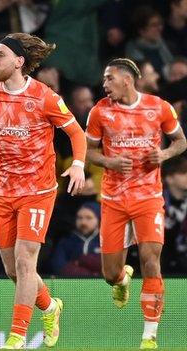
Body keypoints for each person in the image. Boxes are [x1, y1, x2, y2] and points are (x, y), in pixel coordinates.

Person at [0, 33, 88, 349]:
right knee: (13, 270)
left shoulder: (44, 97)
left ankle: (17, 336)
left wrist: (78, 164)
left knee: (26, 263)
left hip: (37, 191)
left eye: (0, 54)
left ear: (19, 61)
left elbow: (76, 132)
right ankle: (50, 306)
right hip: (3, 191)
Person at [85, 58, 187, 349]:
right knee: (109, 274)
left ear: (127, 79)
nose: (104, 85)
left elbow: (181, 142)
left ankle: (149, 336)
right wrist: (109, 161)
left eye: (109, 79)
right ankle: (121, 280)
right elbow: (89, 151)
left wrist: (164, 156)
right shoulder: (99, 112)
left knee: (151, 261)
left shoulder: (159, 107)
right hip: (114, 200)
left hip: (148, 198)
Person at [51, 202, 101, 276]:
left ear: (98, 219)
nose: (83, 222)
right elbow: (58, 266)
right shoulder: (66, 241)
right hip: (72, 285)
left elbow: (109, 265)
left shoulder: (105, 240)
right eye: (79, 218)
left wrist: (81, 261)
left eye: (89, 218)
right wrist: (90, 275)